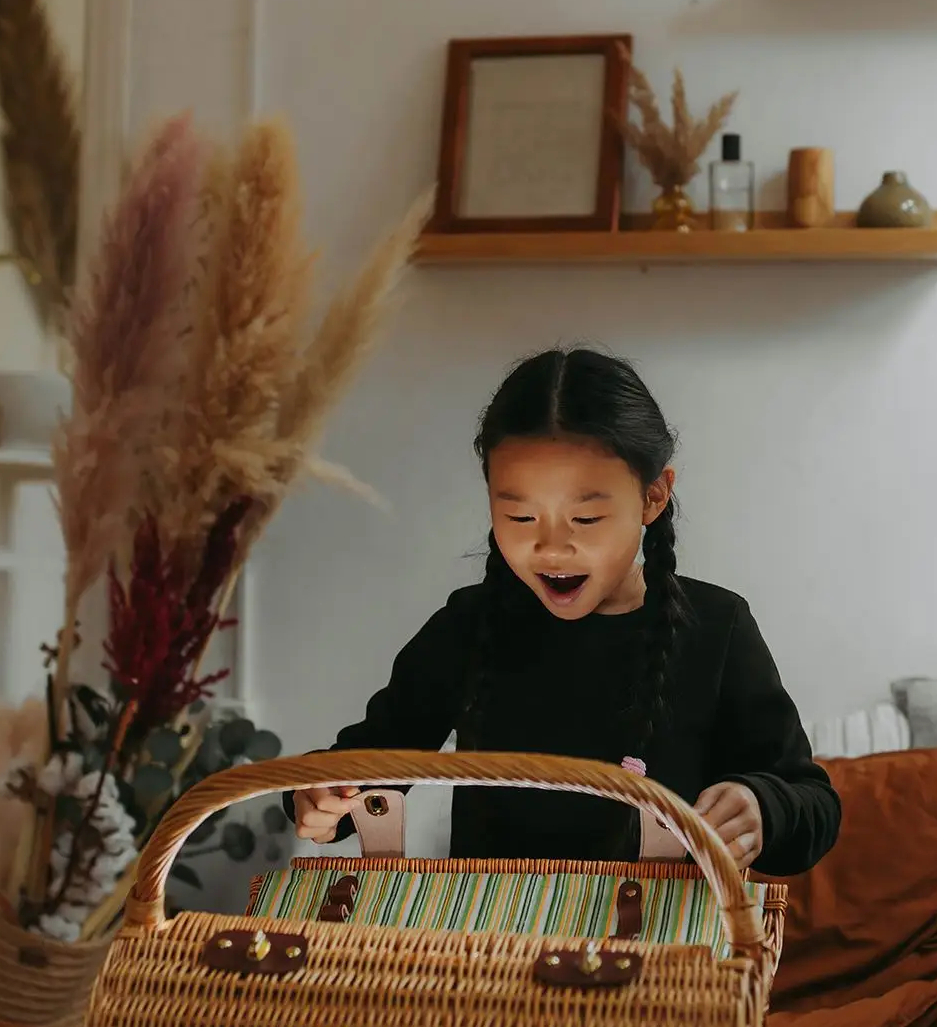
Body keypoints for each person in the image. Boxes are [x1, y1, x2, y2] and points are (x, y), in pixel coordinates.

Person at [284, 348, 840, 875]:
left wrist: (762, 806)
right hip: (488, 953)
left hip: (660, 956)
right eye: (521, 519)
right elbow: (361, 765)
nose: (551, 548)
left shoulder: (717, 628)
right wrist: (317, 797)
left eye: (586, 520)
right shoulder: (470, 625)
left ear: (652, 497)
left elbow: (812, 802)